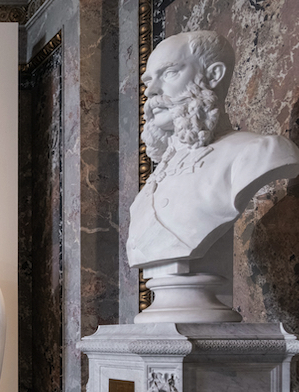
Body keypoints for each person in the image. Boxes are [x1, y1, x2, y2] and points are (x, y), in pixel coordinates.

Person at [126, 30, 299, 269]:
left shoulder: (259, 152)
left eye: (169, 73)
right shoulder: (157, 176)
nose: (150, 91)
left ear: (213, 74)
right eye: (148, 81)